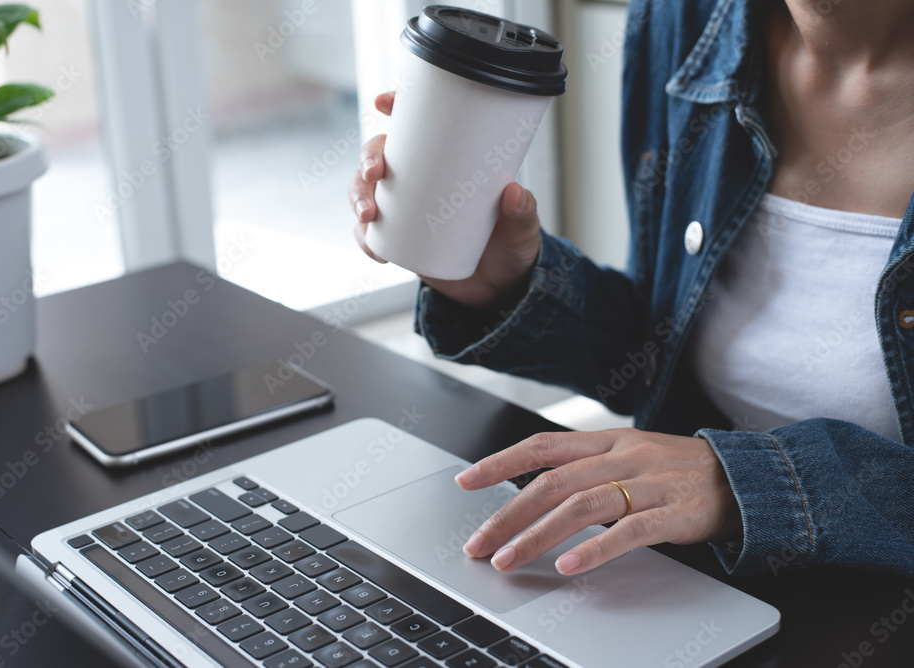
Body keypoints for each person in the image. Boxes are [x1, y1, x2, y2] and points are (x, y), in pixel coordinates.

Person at [348, 0, 914, 578]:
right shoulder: (683, 21)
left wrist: (744, 480)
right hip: (699, 571)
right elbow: (657, 353)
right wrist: (508, 283)